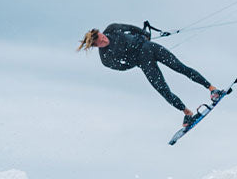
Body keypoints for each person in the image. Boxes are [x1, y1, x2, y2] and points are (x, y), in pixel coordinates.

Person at [78, 23, 222, 127]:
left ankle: (212, 89)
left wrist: (145, 35)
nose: (104, 40)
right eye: (101, 42)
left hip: (149, 47)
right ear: (96, 46)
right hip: (143, 62)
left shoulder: (112, 28)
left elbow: (131, 28)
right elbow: (121, 67)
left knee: (180, 68)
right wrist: (135, 62)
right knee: (162, 89)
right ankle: (187, 113)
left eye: (102, 37)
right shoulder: (106, 58)